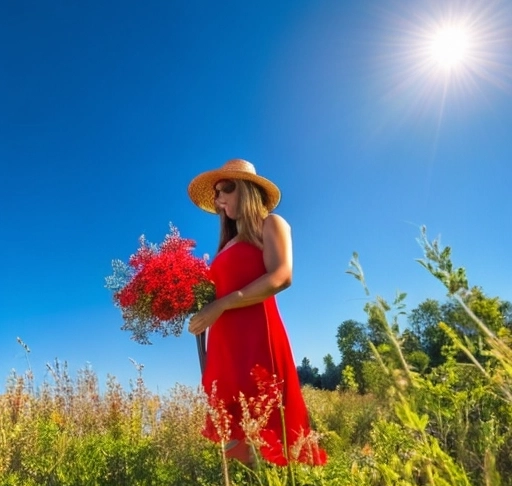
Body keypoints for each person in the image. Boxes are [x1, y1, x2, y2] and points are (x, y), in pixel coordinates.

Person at [187, 158, 325, 465]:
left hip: (256, 337)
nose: (219, 198)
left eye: (226, 188)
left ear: (247, 189)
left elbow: (281, 276)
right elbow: (214, 293)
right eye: (216, 194)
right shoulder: (225, 246)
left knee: (267, 424)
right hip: (224, 343)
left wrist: (221, 304)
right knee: (233, 437)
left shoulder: (271, 223)